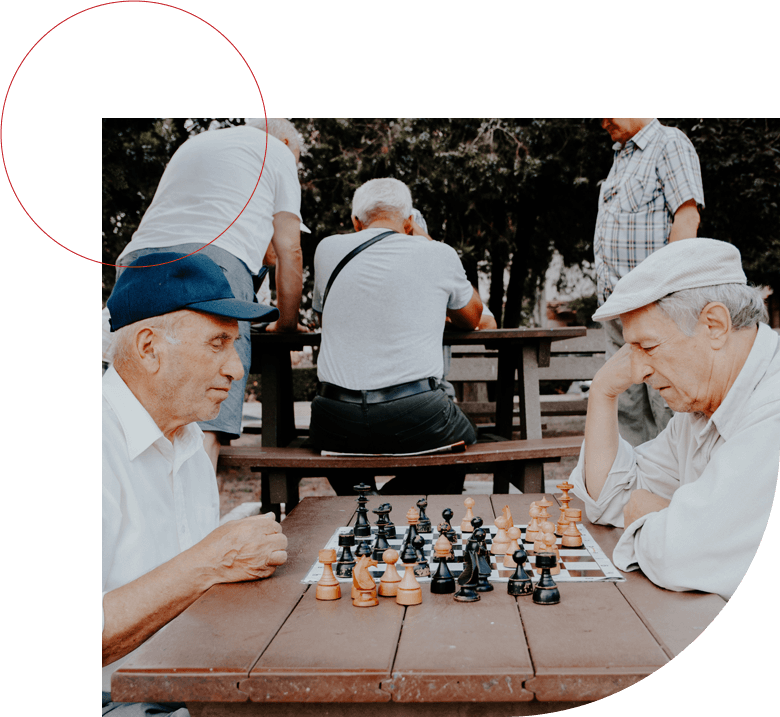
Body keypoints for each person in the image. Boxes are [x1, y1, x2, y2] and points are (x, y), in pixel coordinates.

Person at [102, 252, 289, 713]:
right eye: (217, 343)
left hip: (188, 686)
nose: (236, 368)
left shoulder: (186, 439)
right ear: (149, 348)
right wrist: (211, 560)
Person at [569, 238, 779, 600]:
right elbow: (610, 500)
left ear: (714, 325)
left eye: (647, 347)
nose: (637, 370)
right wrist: (603, 392)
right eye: (628, 349)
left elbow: (685, 556)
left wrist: (657, 517)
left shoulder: (771, 410)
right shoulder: (702, 406)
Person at [109, 118, 308, 473]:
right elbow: (289, 250)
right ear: (287, 144)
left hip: (136, 264)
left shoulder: (202, 143)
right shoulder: (277, 151)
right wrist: (287, 324)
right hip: (211, 266)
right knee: (205, 414)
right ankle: (197, 528)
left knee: (133, 415)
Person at [309, 178, 483, 494]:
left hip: (334, 417)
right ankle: (386, 505)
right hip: (415, 412)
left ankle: (360, 501)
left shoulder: (326, 249)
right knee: (463, 442)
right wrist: (427, 241)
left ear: (355, 222)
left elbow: (324, 313)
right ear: (409, 222)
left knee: (333, 441)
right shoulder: (437, 253)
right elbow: (472, 317)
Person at [595, 118, 705, 446]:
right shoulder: (622, 155)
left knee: (667, 409)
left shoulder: (669, 143)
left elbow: (687, 218)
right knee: (626, 411)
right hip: (617, 308)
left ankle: (676, 494)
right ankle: (633, 494)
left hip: (654, 306)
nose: (603, 123)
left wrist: (662, 294)